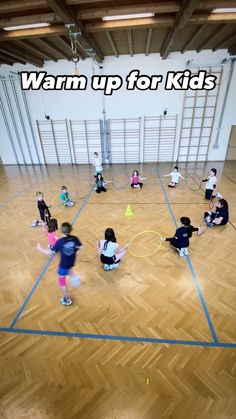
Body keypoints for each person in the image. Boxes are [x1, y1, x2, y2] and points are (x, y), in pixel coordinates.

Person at [37, 222, 83, 306]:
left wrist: (40, 249)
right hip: (71, 261)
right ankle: (74, 278)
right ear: (70, 230)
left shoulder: (60, 242)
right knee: (69, 269)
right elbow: (80, 247)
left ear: (62, 231)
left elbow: (49, 252)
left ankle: (66, 299)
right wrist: (73, 249)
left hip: (63, 265)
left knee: (61, 280)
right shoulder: (75, 238)